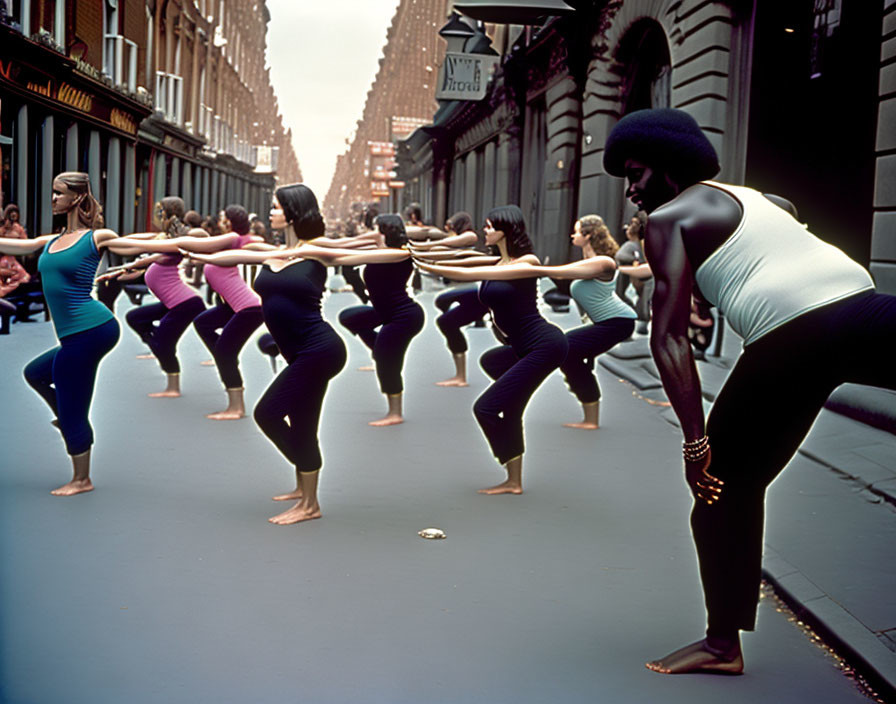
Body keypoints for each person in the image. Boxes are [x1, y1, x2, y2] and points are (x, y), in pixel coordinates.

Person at [602, 107, 896, 675]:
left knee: (720, 491)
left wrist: (695, 444)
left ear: (668, 168)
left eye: (636, 173)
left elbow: (667, 339)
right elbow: (776, 240)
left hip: (792, 338)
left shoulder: (669, 218)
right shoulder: (764, 199)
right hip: (858, 306)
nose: (633, 191)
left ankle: (721, 645)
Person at [189, 185, 407, 522]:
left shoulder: (316, 249)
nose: (269, 212)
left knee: (268, 413)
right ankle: (304, 491)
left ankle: (309, 500)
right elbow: (230, 256)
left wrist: (408, 252)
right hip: (299, 352)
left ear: (292, 212)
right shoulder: (271, 251)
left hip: (319, 349)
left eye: (275, 207)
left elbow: (359, 254)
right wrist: (187, 253)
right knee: (304, 424)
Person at [0, 172, 142, 495]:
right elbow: (13, 244)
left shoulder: (96, 237)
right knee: (35, 373)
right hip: (78, 334)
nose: (52, 199)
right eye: (52, 192)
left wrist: (172, 247)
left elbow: (133, 244)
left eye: (58, 193)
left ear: (76, 198)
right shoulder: (49, 241)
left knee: (72, 397)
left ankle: (81, 479)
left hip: (91, 329)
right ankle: (66, 417)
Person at [414, 206, 572, 495]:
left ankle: (509, 468)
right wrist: (427, 253)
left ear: (506, 229)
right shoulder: (498, 262)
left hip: (544, 344)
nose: (485, 231)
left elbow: (467, 270)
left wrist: (433, 268)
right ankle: (514, 482)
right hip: (521, 346)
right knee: (495, 371)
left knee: (486, 408)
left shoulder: (528, 262)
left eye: (490, 226)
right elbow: (464, 259)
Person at [116, 205, 266, 419]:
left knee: (225, 352)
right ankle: (224, 356)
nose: (219, 219)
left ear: (230, 222)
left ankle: (236, 406)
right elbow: (181, 251)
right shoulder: (225, 243)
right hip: (232, 306)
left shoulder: (232, 238)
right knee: (203, 323)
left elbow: (190, 245)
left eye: (223, 217)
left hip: (248, 308)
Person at [97, 197, 207, 397]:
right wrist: (112, 248)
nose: (157, 215)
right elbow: (136, 244)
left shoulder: (177, 239)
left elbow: (145, 251)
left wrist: (131, 261)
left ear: (168, 213)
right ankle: (158, 340)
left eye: (160, 211)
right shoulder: (164, 237)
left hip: (185, 304)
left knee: (164, 344)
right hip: (173, 304)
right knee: (135, 317)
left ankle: (172, 385)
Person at [338, 214, 424, 426]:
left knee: (388, 364)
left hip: (404, 315)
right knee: (349, 318)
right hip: (384, 312)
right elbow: (349, 251)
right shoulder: (379, 251)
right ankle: (381, 350)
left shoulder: (396, 254)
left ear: (384, 231)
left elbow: (346, 256)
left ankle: (395, 413)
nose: (371, 232)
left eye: (376, 228)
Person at [560, 215, 637, 429]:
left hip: (618, 321)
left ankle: (589, 413)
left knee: (566, 349)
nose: (572, 235)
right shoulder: (587, 261)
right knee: (570, 356)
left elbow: (559, 273)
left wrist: (533, 270)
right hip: (606, 323)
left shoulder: (602, 262)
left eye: (576, 231)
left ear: (588, 235)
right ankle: (587, 404)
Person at [413, 211, 487, 387]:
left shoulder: (469, 236)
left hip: (477, 288)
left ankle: (461, 376)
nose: (486, 231)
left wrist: (420, 249)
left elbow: (445, 243)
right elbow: (437, 238)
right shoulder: (462, 239)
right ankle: (460, 374)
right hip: (471, 287)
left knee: (448, 321)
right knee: (444, 313)